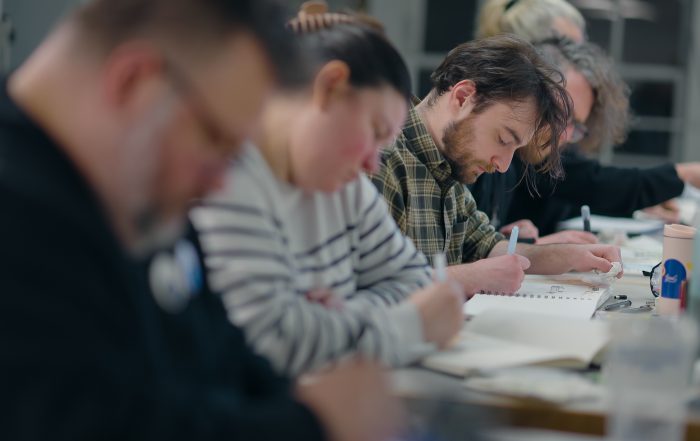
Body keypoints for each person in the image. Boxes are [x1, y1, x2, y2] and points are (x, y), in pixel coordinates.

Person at [0, 1, 402, 440]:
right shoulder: (22, 213)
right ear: (133, 80)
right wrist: (313, 423)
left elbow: (220, 356)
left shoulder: (138, 197)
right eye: (216, 141)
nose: (221, 185)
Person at [191, 6, 463, 377]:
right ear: (330, 87)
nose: (372, 164)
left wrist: (331, 318)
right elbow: (271, 343)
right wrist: (407, 326)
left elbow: (413, 279)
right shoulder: (227, 179)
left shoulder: (342, 185)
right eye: (374, 131)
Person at [371, 35, 623, 296]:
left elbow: (488, 244)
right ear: (463, 97)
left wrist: (570, 255)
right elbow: (367, 289)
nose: (503, 166)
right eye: (503, 139)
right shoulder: (380, 160)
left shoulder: (444, 164)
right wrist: (470, 277)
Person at [474, 0, 700, 239]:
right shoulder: (482, 148)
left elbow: (575, 191)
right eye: (567, 48)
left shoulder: (522, 153)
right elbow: (591, 184)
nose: (579, 57)